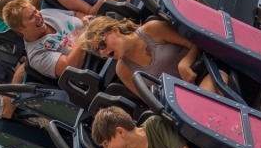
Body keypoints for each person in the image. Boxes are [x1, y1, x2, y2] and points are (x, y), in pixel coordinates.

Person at [80, 16, 225, 96]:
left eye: (102, 44)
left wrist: (186, 62)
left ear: (115, 30)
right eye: (98, 51)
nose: (103, 52)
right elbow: (151, 101)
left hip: (206, 73)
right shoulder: (123, 70)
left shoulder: (152, 29)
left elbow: (196, 42)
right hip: (184, 103)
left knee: (204, 104)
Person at [1, 0, 87, 79]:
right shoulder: (37, 55)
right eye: (31, 17)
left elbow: (75, 13)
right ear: (21, 29)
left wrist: (88, 20)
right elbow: (70, 66)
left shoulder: (45, 13)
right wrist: (86, 35)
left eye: (35, 11)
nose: (38, 16)